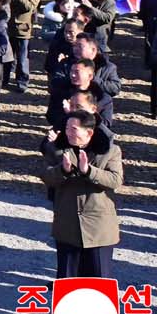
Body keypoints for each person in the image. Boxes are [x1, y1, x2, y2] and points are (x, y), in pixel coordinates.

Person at [42, 111, 123, 279]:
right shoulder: (57, 148)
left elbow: (115, 180)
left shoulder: (110, 151)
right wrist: (63, 170)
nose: (68, 133)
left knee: (99, 283)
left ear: (89, 132)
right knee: (68, 283)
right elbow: (46, 176)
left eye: (73, 129)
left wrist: (89, 171)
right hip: (67, 226)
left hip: (99, 229)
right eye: (66, 128)